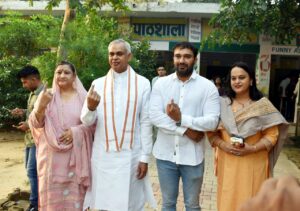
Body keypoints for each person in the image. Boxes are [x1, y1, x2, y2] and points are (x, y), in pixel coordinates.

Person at [81, 39, 156, 211]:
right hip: (103, 156)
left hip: (131, 155)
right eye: (111, 54)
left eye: (119, 54)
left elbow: (146, 122)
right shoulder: (97, 84)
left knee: (131, 202)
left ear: (129, 56)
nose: (114, 57)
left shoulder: (143, 83)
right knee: (105, 201)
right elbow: (86, 121)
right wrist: (91, 108)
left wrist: (145, 157)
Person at [207, 62, 289, 211]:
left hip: (254, 161)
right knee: (228, 200)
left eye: (241, 77)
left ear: (251, 80)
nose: (237, 81)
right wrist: (224, 145)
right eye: (233, 78)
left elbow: (272, 135)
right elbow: (211, 133)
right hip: (228, 162)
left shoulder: (262, 106)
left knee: (252, 200)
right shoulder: (222, 104)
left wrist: (252, 148)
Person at [149, 41, 220, 211]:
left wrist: (181, 118)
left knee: (193, 205)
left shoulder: (207, 87)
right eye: (178, 56)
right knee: (167, 204)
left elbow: (212, 121)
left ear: (195, 59)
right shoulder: (161, 84)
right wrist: (186, 130)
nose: (182, 60)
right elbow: (155, 116)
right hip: (165, 156)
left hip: (193, 157)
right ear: (173, 59)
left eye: (187, 56)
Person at [28, 61, 94, 210]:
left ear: (74, 76)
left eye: (66, 72)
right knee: (52, 201)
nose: (62, 75)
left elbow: (93, 126)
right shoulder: (46, 95)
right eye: (58, 72)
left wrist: (75, 131)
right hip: (51, 158)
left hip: (75, 158)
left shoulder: (84, 98)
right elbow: (35, 124)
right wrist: (41, 106)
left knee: (75, 201)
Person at [10, 65, 44, 211]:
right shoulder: (33, 93)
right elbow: (34, 112)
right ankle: (36, 201)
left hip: (39, 140)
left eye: (25, 82)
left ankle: (35, 204)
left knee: (33, 172)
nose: (23, 85)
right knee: (30, 171)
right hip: (30, 140)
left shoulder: (45, 94)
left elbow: (47, 118)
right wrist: (23, 111)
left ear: (34, 79)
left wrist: (28, 125)